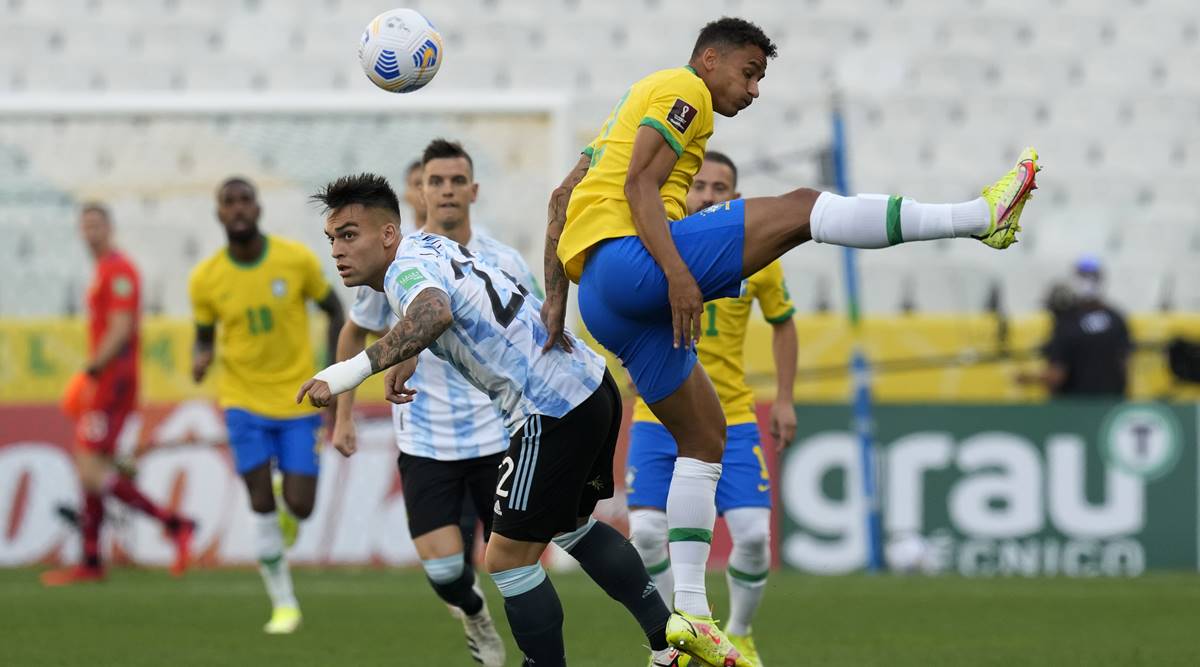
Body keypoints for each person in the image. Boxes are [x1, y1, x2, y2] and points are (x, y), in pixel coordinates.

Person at [541, 17, 1039, 663]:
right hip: (632, 263)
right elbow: (639, 186)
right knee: (805, 207)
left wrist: (557, 297)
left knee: (704, 435)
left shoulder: (620, 115)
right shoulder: (683, 89)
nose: (753, 91)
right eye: (749, 73)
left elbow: (561, 197)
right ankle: (978, 217)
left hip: (601, 300)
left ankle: (688, 614)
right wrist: (676, 275)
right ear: (710, 59)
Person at [300, 173, 684, 667]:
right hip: (589, 384)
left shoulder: (401, 272)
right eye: (332, 238)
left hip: (549, 407)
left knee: (505, 559)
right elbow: (454, 304)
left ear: (389, 233)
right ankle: (670, 645)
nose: (337, 249)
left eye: (350, 234)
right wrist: (411, 350)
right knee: (573, 527)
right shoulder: (429, 244)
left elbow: (434, 312)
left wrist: (346, 374)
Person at [330, 140, 537, 667]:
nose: (445, 190)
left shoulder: (502, 260)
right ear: (418, 192)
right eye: (434, 181)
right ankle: (473, 616)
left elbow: (535, 329)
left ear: (472, 190)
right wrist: (345, 415)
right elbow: (355, 333)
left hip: (498, 431)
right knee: (446, 573)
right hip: (425, 437)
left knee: (514, 567)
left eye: (455, 181)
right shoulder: (393, 261)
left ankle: (541, 653)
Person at [626, 151, 795, 667]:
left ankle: (739, 632)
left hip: (735, 416)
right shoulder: (654, 246)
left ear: (735, 199)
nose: (707, 195)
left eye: (719, 188)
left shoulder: (757, 256)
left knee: (750, 538)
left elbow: (783, 322)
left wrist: (785, 397)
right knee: (647, 536)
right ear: (682, 192)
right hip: (658, 416)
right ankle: (678, 630)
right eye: (698, 186)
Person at [188, 177, 344, 634]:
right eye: (228, 202)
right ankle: (284, 604)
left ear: (257, 209)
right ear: (219, 214)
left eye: (244, 201)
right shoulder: (206, 279)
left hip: (296, 401)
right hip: (242, 402)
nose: (237, 209)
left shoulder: (293, 260)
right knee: (258, 497)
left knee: (301, 505)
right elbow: (203, 338)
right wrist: (201, 360)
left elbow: (334, 309)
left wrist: (330, 371)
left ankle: (286, 506)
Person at [41, 203, 195, 587]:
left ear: (109, 228)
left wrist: (91, 370)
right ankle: (92, 560)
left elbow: (122, 327)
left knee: (90, 469)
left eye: (97, 224)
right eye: (86, 225)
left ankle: (174, 524)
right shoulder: (102, 271)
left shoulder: (119, 270)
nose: (91, 231)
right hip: (107, 380)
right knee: (92, 466)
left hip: (113, 381)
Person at [1020, 256, 1131, 397]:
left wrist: (1025, 378)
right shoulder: (1116, 318)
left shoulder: (1068, 322)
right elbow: (1125, 365)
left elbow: (1057, 375)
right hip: (1109, 403)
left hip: (1075, 406)